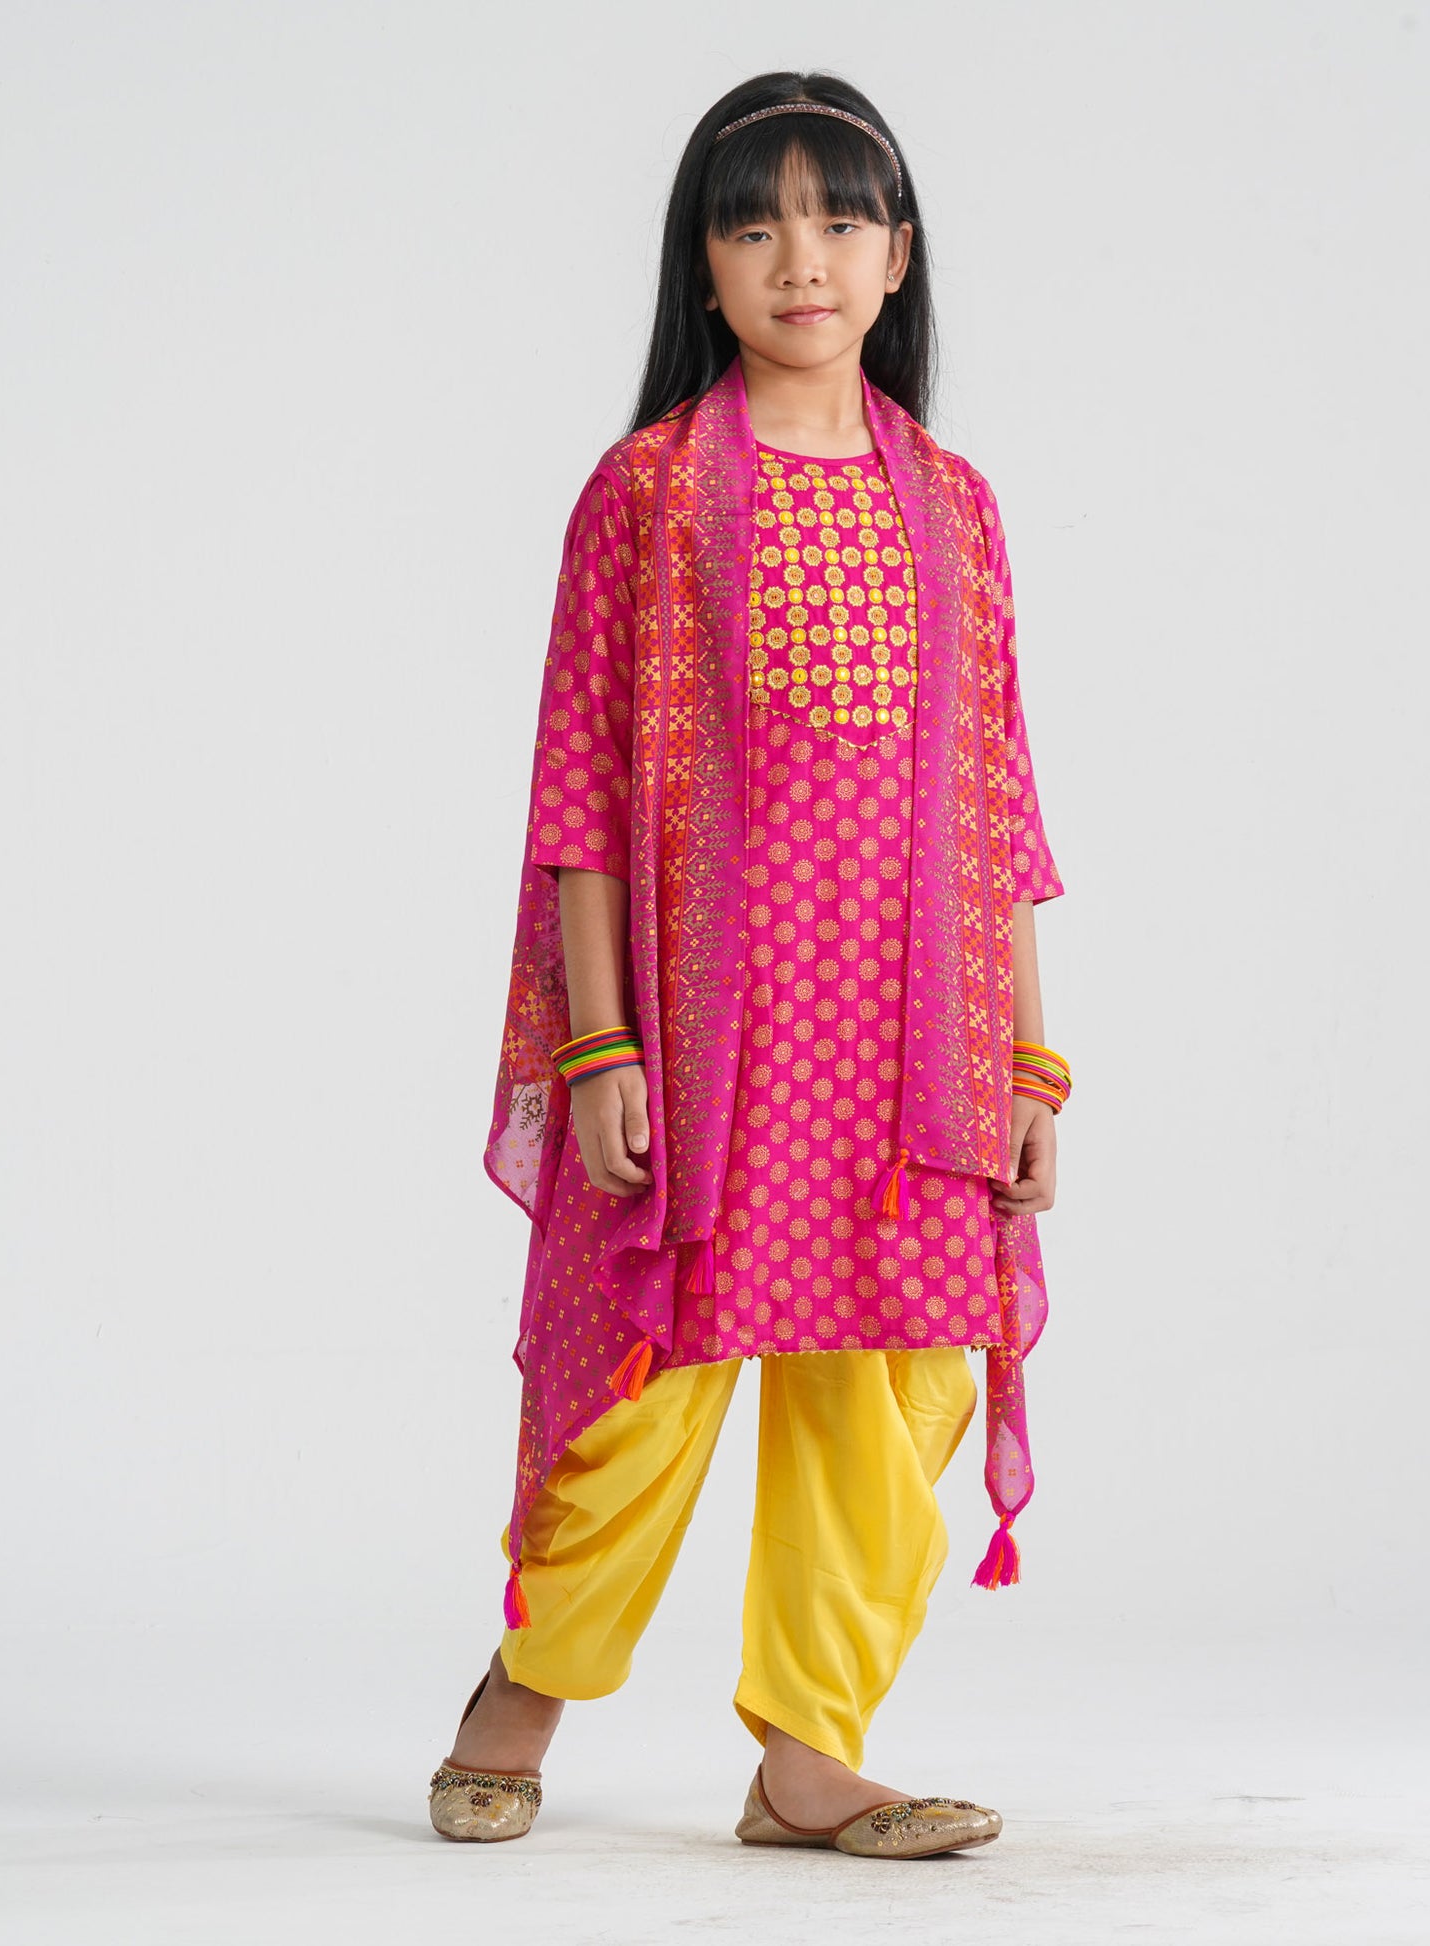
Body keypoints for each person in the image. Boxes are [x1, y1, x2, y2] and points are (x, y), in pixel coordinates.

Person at [427, 70, 1072, 1859]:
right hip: (717, 1031)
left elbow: (998, 803)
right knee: (650, 1380)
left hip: (916, 1041)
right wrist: (602, 1044)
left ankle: (808, 1753)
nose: (801, 257)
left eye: (840, 218)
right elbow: (579, 792)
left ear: (897, 256)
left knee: (882, 1392)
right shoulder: (645, 493)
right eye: (755, 223)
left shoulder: (952, 505)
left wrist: (1031, 1063)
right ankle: (523, 1689)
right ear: (700, 266)